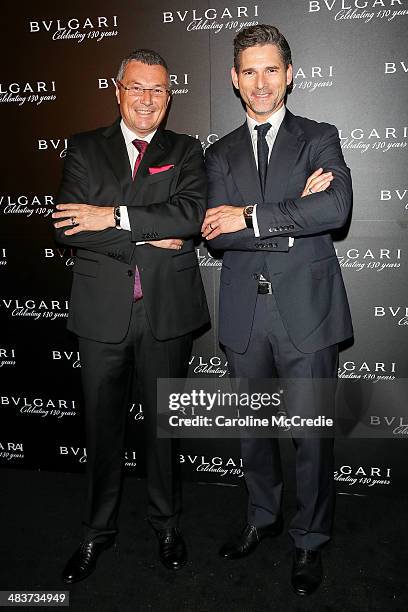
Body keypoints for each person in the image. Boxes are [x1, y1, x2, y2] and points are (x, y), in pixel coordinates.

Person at [202, 25, 353, 596]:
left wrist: (252, 217)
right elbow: (215, 234)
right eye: (250, 71)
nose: (261, 82)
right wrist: (291, 217)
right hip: (246, 315)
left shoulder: (319, 136)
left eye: (272, 69)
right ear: (234, 79)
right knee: (252, 433)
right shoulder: (217, 153)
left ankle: (310, 540)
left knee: (311, 437)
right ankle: (261, 518)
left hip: (307, 315)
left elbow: (335, 208)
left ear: (289, 74)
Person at [53, 48, 209, 583]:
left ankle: (167, 524)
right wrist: (146, 233)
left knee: (165, 430)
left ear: (169, 97)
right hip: (101, 314)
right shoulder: (83, 149)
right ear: (117, 91)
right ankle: (97, 531)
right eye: (137, 87)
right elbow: (68, 227)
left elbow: (189, 215)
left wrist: (113, 216)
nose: (147, 98)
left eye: (158, 89)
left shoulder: (187, 151)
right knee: (101, 431)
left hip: (166, 312)